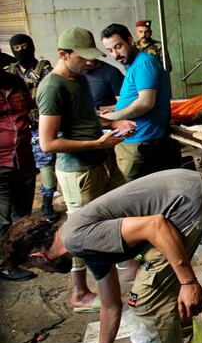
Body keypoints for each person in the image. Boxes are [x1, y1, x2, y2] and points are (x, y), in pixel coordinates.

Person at [4, 169, 202, 343]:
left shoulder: (76, 238)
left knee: (147, 302)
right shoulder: (81, 247)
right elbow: (110, 305)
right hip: (186, 190)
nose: (44, 272)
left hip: (188, 199)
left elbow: (155, 225)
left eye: (36, 267)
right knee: (156, 290)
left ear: (40, 256)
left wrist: (189, 283)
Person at [36, 27, 136, 312]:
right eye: (85, 58)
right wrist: (96, 143)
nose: (91, 63)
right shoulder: (52, 87)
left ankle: (124, 263)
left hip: (101, 160)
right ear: (63, 55)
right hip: (78, 170)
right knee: (79, 232)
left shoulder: (78, 79)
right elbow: (48, 142)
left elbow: (85, 117)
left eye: (93, 58)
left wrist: (113, 123)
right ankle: (79, 292)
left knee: (117, 213)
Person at [100, 24, 174, 182]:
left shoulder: (144, 64)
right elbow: (135, 98)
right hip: (131, 139)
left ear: (130, 41)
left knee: (128, 194)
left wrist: (113, 117)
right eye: (110, 50)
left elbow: (145, 103)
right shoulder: (133, 65)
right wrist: (114, 110)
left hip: (138, 141)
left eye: (118, 47)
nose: (115, 54)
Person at [7, 34, 59, 223]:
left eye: (25, 46)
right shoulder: (9, 71)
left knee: (45, 165)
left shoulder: (44, 70)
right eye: (17, 48)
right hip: (14, 129)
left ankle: (46, 203)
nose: (21, 51)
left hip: (39, 126)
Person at [0, 70, 37, 281]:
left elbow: (31, 110)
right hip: (0, 162)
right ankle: (5, 265)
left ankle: (20, 254)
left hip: (24, 156)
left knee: (22, 214)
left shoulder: (16, 82)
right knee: (2, 219)